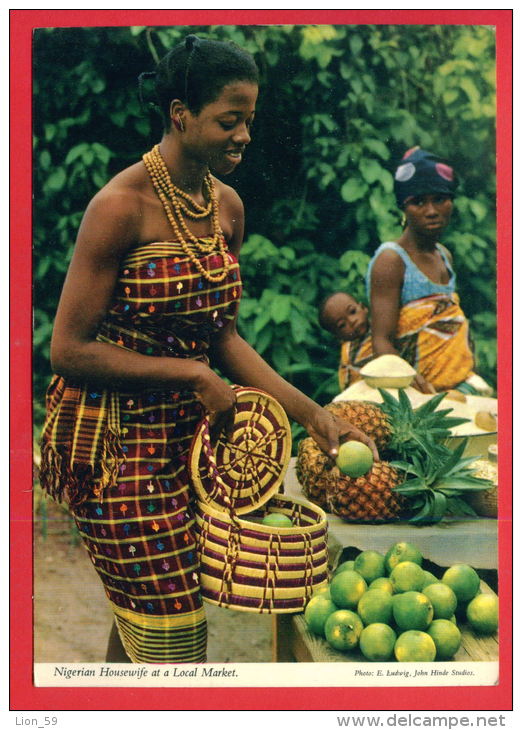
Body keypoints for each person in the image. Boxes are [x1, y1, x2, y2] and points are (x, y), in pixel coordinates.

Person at [38, 35, 377, 665]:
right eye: (230, 119)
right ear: (179, 113)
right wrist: (190, 374)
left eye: (250, 118)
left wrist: (314, 415)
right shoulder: (119, 207)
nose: (245, 134)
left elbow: (222, 337)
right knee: (175, 636)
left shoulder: (226, 208)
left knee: (147, 623)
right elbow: (67, 349)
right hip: (114, 449)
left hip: (194, 448)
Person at [365, 146, 492, 395]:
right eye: (418, 202)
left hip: (454, 383)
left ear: (451, 202)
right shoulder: (391, 260)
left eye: (439, 199)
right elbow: (381, 341)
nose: (431, 211)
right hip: (411, 389)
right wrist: (414, 385)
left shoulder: (444, 256)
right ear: (403, 207)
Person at [318, 291, 372, 391]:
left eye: (352, 311)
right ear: (338, 337)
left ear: (363, 308)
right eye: (342, 325)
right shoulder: (350, 355)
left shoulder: (382, 327)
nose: (352, 321)